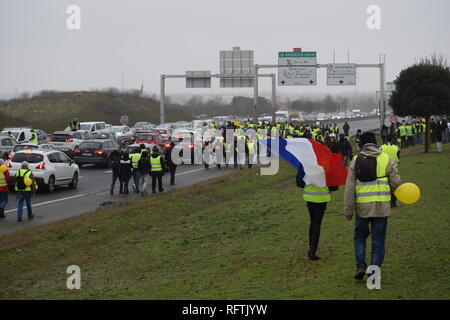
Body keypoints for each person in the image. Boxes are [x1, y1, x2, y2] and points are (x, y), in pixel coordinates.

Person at [344, 132, 401, 280]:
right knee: (378, 241)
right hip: (381, 207)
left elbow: (349, 188)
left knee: (359, 238)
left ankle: (360, 266)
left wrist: (348, 210)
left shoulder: (355, 161)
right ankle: (373, 274)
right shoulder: (386, 159)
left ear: (361, 144)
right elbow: (396, 183)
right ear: (375, 143)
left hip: (362, 209)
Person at [296, 168, 338, 260]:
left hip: (309, 196)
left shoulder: (306, 162)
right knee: (317, 224)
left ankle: (311, 249)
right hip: (322, 197)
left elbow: (299, 182)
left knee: (312, 222)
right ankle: (312, 251)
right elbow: (333, 186)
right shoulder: (326, 163)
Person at [381, 135, 400, 208]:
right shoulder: (396, 148)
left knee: (385, 186)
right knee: (394, 186)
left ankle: (386, 202)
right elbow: (398, 157)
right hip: (394, 169)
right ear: (392, 140)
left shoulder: (381, 147)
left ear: (386, 140)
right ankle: (393, 203)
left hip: (384, 169)